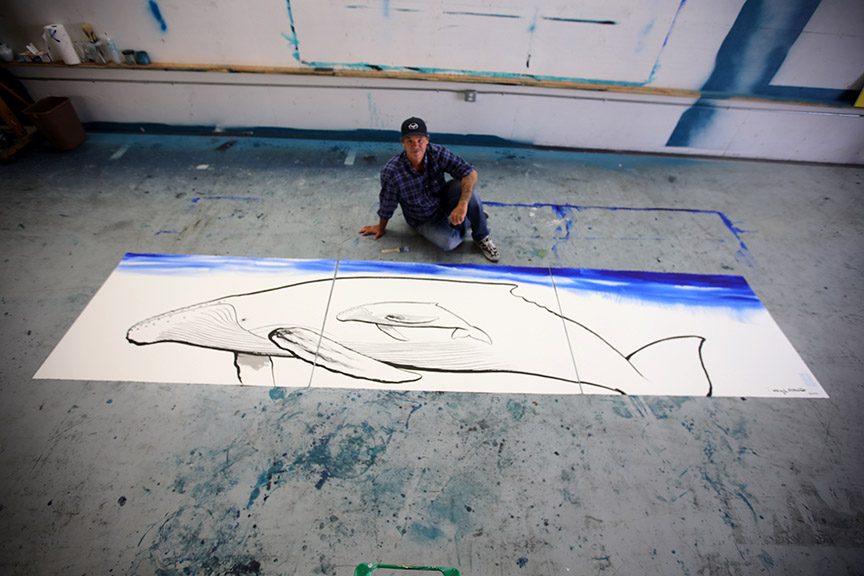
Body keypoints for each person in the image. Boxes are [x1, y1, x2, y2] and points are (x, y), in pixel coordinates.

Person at [359, 117, 500, 262]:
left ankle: (481, 235)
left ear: (427, 139)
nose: (415, 146)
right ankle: (474, 217)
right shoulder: (392, 172)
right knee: (449, 242)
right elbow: (387, 204)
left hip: (443, 200)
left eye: (420, 140)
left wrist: (463, 205)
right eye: (410, 141)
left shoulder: (436, 152)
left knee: (469, 192)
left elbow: (470, 172)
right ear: (402, 142)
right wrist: (381, 227)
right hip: (423, 218)